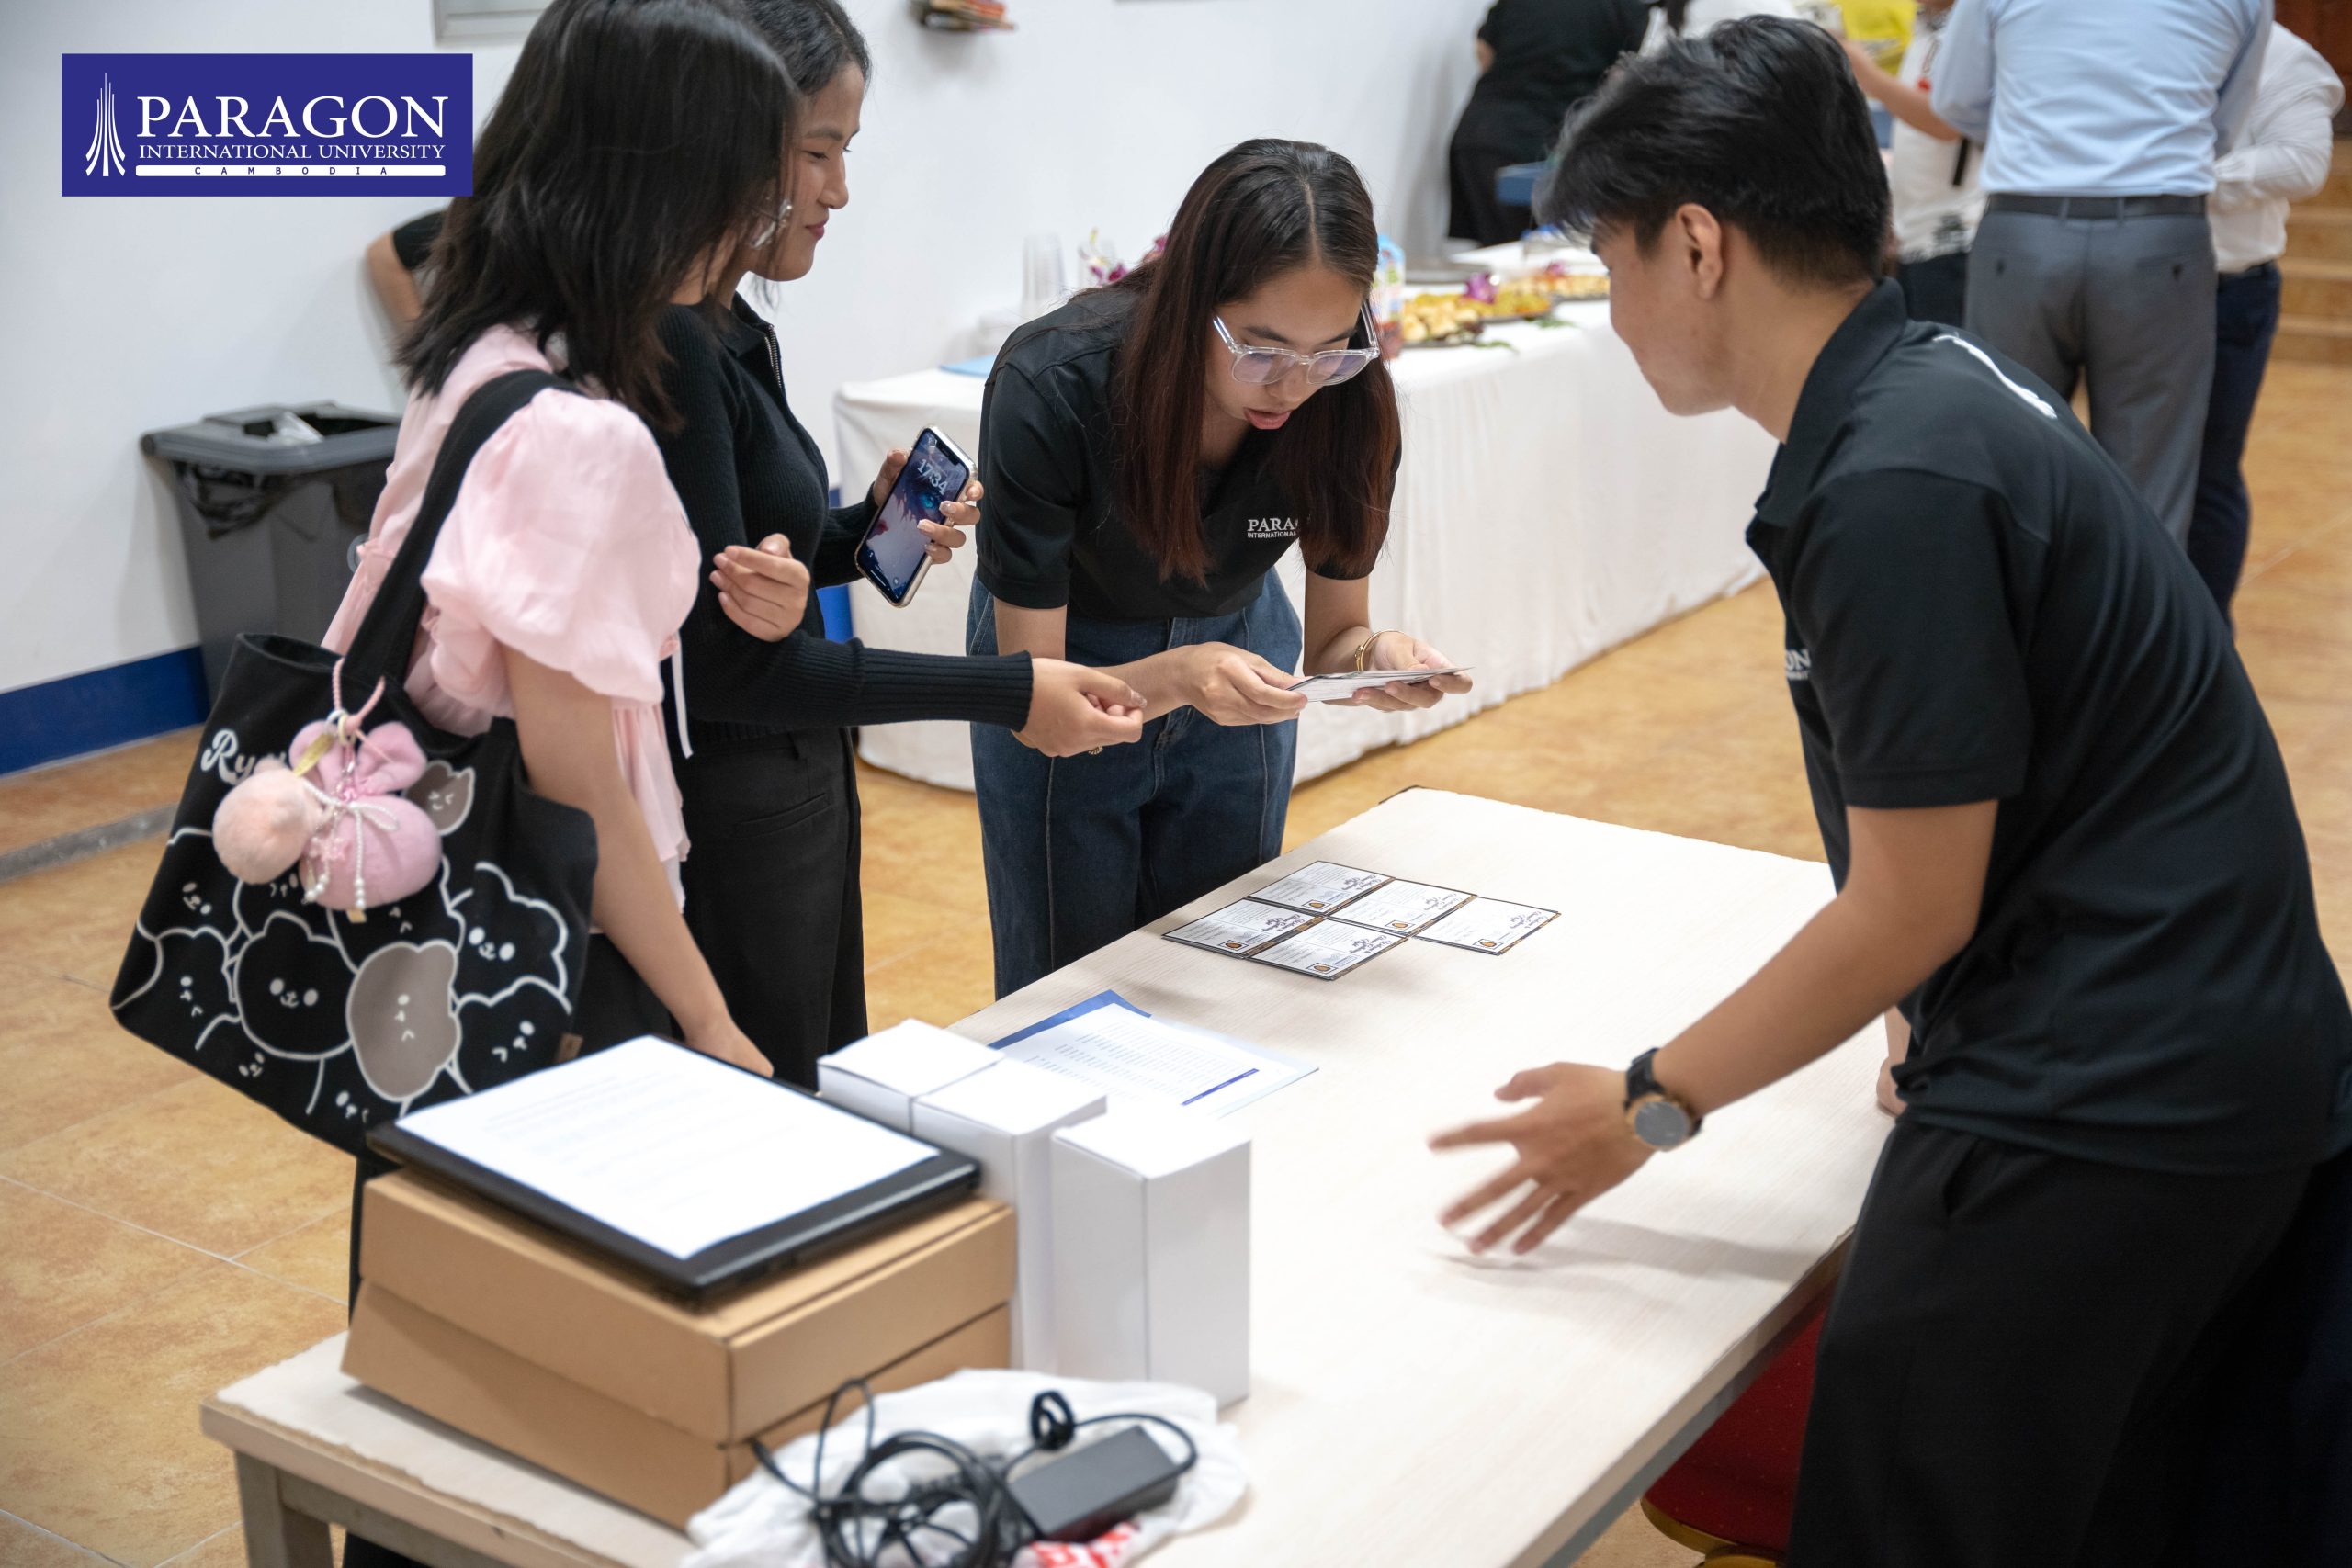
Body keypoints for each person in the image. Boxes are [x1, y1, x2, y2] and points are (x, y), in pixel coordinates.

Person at [1440, 19, 2351, 1564]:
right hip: (2210, 1040)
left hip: (2115, 1092)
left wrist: (1650, 1100)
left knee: (1899, 1483)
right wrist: (1914, 1006)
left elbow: (1912, 901)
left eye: (1611, 261)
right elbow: (1978, 809)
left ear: (1699, 246)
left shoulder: (1894, 481)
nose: (1612, 307)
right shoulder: (1929, 389)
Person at [324, 2, 795, 1562]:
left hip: (434, 904)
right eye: (751, 183)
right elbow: (579, 781)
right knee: (568, 1368)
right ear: (666, 185)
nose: (761, 222)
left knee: (447, 1328)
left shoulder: (480, 357)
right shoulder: (584, 434)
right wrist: (713, 1017)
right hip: (558, 944)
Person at [647, 0, 1146, 1086]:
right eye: (817, 153)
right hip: (729, 808)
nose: (837, 192)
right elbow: (723, 664)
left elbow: (741, 562)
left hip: (792, 784)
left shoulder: (730, 321)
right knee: (771, 1097)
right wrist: (1007, 690)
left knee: (820, 1074)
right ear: (729, 137)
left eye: (846, 153)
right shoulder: (670, 341)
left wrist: (862, 535)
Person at [971, 140, 1473, 998]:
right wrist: (1177, 674)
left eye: (1329, 351)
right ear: (1192, 302)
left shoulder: (1348, 401)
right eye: (1262, 351)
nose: (1294, 387)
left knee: (1221, 969)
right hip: (1071, 653)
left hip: (1240, 654)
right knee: (1066, 986)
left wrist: (1374, 658)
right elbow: (1038, 702)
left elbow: (1337, 639)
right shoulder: (1056, 383)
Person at [1931, 0, 2270, 547]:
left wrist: (2037, 133)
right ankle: (2135, 603)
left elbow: (1955, 99)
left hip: (2025, 230)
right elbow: (2223, 126)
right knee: (2149, 484)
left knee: (2010, 466)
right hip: (2159, 238)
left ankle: (2018, 601)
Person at [2190, 23, 2343, 618]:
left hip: (2227, 292)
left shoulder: (2285, 58)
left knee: (2210, 471)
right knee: (2122, 464)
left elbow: (2303, 163)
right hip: (2132, 284)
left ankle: (2207, 639)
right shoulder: (2145, 37)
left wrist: (2184, 179)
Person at [1448, 0, 1651, 246]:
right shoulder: (1623, 8)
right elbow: (1628, 80)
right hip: (1541, 148)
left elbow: (1483, 48)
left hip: (1482, 134)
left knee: (1496, 255)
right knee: (1537, 256)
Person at [1840, 0, 1982, 326]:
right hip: (1916, 235)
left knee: (1949, 351)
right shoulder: (1925, 29)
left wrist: (1868, 76)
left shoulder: (1969, 29)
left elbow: (1946, 122)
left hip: (1955, 238)